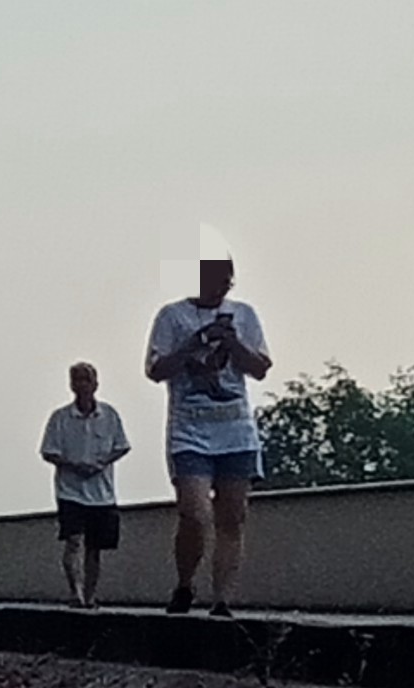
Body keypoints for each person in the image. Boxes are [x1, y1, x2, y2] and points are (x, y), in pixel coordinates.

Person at [146, 256, 272, 618]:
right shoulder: (172, 316)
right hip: (190, 431)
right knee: (195, 514)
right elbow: (156, 369)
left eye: (224, 280)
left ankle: (222, 599)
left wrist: (232, 342)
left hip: (236, 432)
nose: (218, 286)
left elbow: (260, 368)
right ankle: (185, 583)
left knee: (232, 517)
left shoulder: (244, 314)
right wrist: (194, 343)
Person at [40, 361, 131, 608]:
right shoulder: (60, 418)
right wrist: (74, 465)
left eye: (85, 380)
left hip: (102, 493)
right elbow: (48, 451)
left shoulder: (109, 415)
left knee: (94, 547)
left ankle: (90, 595)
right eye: (76, 380)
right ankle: (76, 592)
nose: (81, 385)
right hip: (70, 491)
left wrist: (102, 463)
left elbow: (122, 446)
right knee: (73, 541)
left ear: (95, 384)